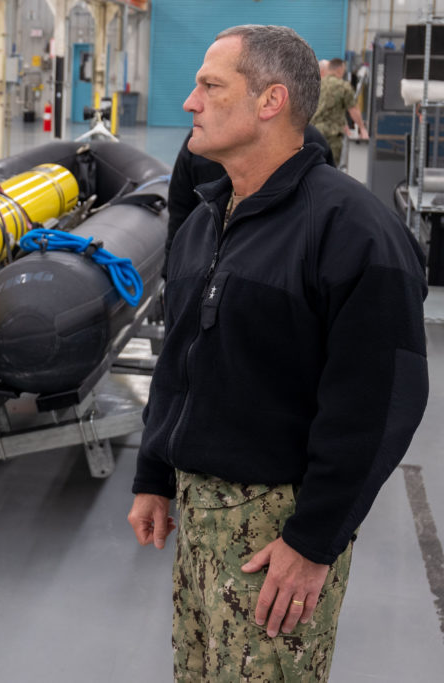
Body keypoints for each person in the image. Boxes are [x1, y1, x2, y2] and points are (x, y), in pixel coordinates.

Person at [127, 25, 428, 682]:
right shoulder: (208, 219)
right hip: (198, 522)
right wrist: (154, 469)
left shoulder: (353, 230)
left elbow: (380, 402)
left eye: (210, 86)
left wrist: (313, 540)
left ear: (271, 101)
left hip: (277, 531)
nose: (189, 103)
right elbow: (182, 358)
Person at [164, 124, 334, 278]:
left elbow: (179, 213)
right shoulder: (310, 141)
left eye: (211, 87)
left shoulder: (199, 144)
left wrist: (170, 273)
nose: (191, 104)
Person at [311, 57, 369, 166]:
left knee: (313, 166)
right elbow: (353, 110)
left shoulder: (316, 85)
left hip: (313, 133)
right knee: (330, 168)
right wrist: (362, 128)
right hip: (332, 136)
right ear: (340, 69)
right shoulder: (343, 86)